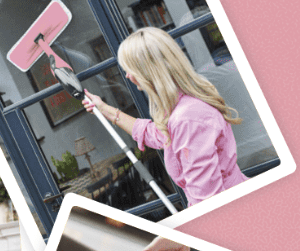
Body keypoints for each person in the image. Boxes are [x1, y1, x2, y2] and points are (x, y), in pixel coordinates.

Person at [82, 27, 248, 207]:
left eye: (131, 70)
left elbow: (207, 201)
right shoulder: (182, 106)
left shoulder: (187, 118)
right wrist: (104, 109)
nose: (128, 76)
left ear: (148, 71)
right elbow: (157, 134)